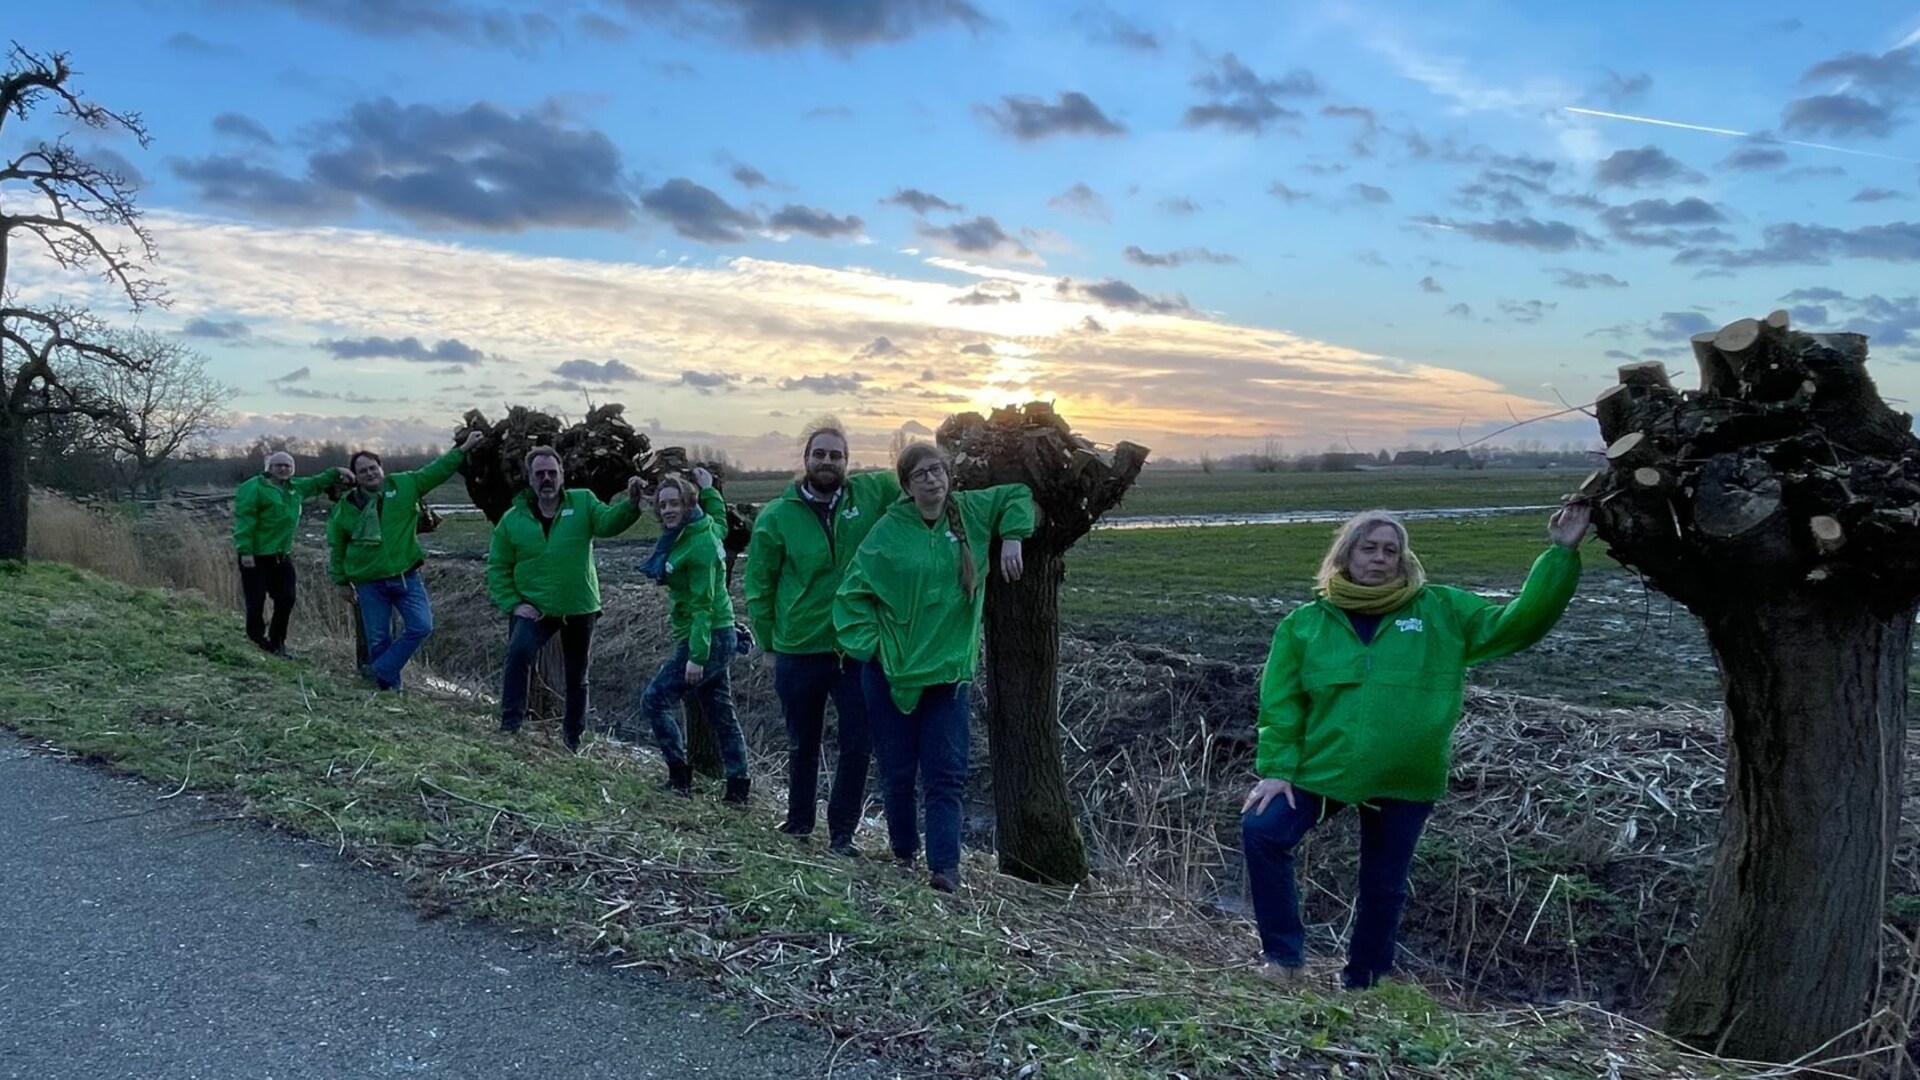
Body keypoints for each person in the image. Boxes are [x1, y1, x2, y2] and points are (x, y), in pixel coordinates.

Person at [1240, 500, 1592, 990]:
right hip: (1325, 770)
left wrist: (1560, 555)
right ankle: (1284, 960)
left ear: (1403, 559)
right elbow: (1281, 704)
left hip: (1406, 775)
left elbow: (1518, 624)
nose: (1380, 558)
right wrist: (1277, 768)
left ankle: (1366, 981)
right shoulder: (1304, 624)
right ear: (1346, 556)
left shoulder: (1441, 611)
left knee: (1383, 886)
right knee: (1263, 831)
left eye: (1391, 550)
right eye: (1369, 548)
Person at [833, 443, 1033, 893]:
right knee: (898, 771)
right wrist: (876, 649)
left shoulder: (971, 514)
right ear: (906, 485)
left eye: (938, 471)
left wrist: (1014, 536)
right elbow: (850, 597)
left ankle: (945, 869)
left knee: (947, 773)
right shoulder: (888, 532)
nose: (932, 480)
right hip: (890, 676)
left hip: (947, 675)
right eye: (921, 474)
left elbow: (1017, 493)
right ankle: (904, 854)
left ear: (948, 476)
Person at [745, 418, 900, 855]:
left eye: (836, 455)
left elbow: (921, 476)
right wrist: (768, 644)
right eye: (820, 454)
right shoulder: (777, 516)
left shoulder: (870, 494)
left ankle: (842, 836)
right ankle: (798, 824)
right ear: (806, 459)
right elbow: (760, 585)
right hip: (797, 650)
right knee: (803, 742)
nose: (827, 461)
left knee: (857, 744)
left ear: (848, 462)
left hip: (855, 650)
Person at [486, 446, 645, 751]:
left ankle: (572, 739)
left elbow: (609, 524)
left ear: (562, 475)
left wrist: (632, 503)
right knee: (518, 656)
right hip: (536, 608)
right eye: (539, 474)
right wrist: (514, 604)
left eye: (552, 473)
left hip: (579, 606)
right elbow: (497, 566)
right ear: (529, 479)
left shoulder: (583, 502)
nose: (546, 479)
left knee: (577, 677)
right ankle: (509, 726)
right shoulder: (512, 519)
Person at [327, 430, 486, 691]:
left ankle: (379, 671)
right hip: (369, 583)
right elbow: (337, 546)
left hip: (405, 576)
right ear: (356, 476)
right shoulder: (346, 506)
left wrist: (464, 449)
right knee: (378, 639)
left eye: (372, 467)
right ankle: (388, 690)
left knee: (421, 626)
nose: (369, 473)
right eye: (363, 470)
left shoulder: (404, 486)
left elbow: (437, 470)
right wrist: (341, 581)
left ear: (381, 467)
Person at [635, 468, 751, 804]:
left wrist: (697, 657)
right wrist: (710, 489)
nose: (668, 510)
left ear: (688, 505)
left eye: (675, 503)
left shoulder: (697, 544)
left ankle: (680, 776)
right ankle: (738, 787)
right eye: (663, 505)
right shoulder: (703, 527)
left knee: (654, 701)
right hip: (716, 633)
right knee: (720, 713)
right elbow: (720, 519)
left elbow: (703, 606)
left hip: (708, 636)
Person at [231, 450, 349, 655]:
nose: (283, 469)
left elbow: (316, 482)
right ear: (270, 468)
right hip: (256, 556)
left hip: (281, 556)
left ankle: (278, 642)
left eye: (287, 465)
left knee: (287, 598)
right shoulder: (254, 487)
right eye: (279, 465)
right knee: (256, 599)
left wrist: (337, 471)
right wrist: (245, 551)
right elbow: (246, 520)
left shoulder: (295, 488)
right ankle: (256, 638)